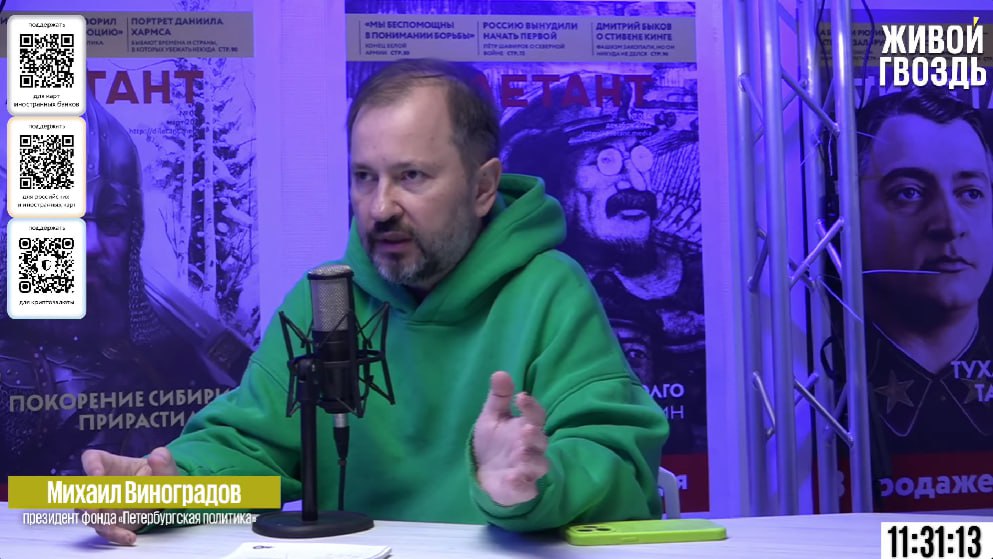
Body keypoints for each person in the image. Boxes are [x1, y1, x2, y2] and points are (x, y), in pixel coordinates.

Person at [82, 58, 669, 544]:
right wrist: (164, 487)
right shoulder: (327, 299)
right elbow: (249, 445)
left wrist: (534, 482)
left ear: (483, 187)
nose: (380, 207)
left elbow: (622, 472)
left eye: (412, 176)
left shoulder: (550, 292)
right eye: (365, 177)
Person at [0, 90, 252, 479]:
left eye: (112, 220)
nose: (90, 245)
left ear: (134, 229)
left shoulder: (174, 363)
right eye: (62, 219)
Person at [857, 85, 993, 458]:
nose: (951, 225)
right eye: (910, 192)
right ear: (849, 213)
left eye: (971, 193)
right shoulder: (823, 393)